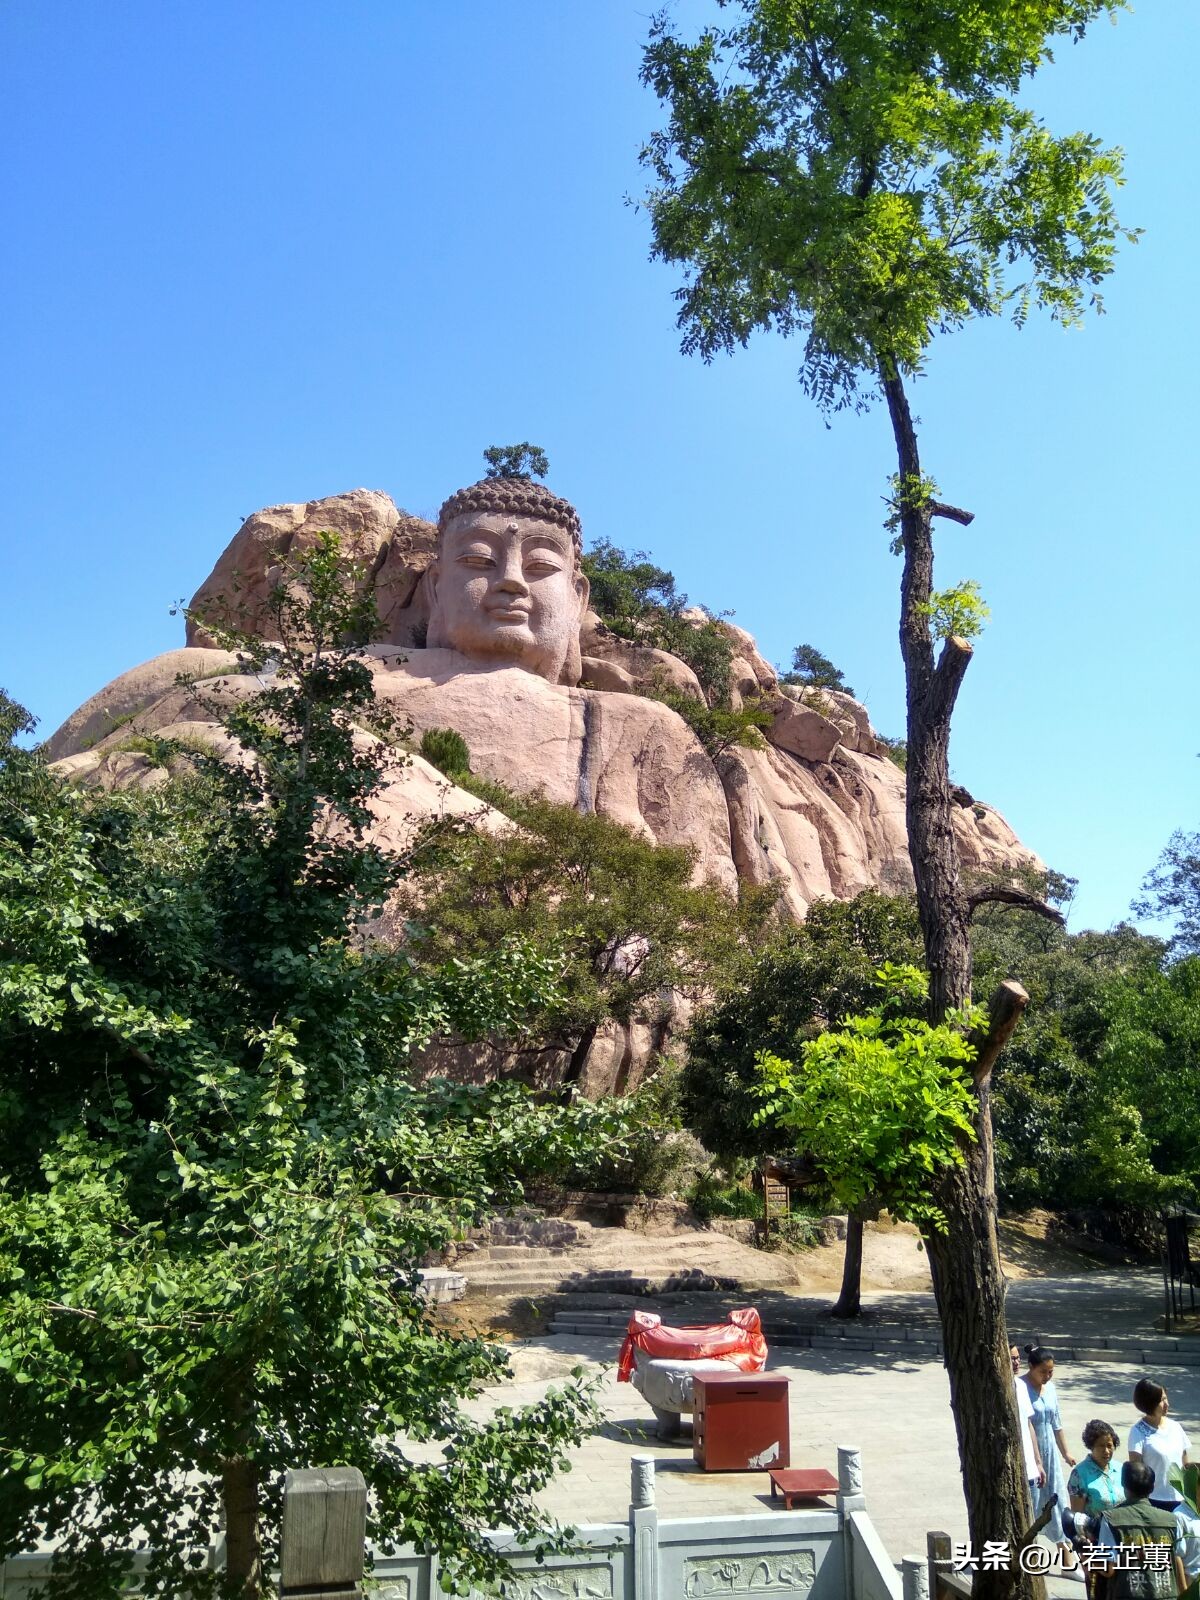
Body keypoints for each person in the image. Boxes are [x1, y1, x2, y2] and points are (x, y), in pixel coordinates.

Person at [1094, 1458, 1186, 1600]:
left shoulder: (1110, 1519)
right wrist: (1184, 1594)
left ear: (1123, 1485)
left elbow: (1108, 1569)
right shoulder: (1172, 1520)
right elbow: (1177, 1558)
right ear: (1152, 1487)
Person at [1023, 1344, 1077, 1567]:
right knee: (1032, 1504)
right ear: (1031, 1367)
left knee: (1058, 1500)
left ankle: (1066, 1558)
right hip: (1030, 1454)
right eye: (1043, 1371)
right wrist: (1036, 1460)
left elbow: (1057, 1423)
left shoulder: (1051, 1389)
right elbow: (1025, 1425)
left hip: (1050, 1454)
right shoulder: (1020, 1387)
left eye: (1050, 1371)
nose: (1047, 1376)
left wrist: (1066, 1452)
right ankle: (1030, 1557)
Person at [1130, 1379, 1191, 1512]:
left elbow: (1185, 1465)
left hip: (1181, 1501)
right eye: (1162, 1400)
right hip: (1154, 1502)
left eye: (1166, 1398)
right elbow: (1135, 1472)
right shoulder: (1137, 1432)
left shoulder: (1176, 1427)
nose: (1167, 1404)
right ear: (1149, 1402)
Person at [1011, 1345, 1046, 1502]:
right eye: (1012, 1358)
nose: (1017, 1362)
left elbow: (1028, 1424)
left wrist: (1038, 1462)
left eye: (1018, 1358)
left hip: (1030, 1470)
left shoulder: (1021, 1385)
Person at [1071, 1420, 1124, 1519]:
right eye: (1101, 1446)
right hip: (1096, 1532)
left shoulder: (1121, 1469)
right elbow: (1077, 1516)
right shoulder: (1079, 1474)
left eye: (1109, 1445)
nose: (1106, 1451)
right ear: (1091, 1446)